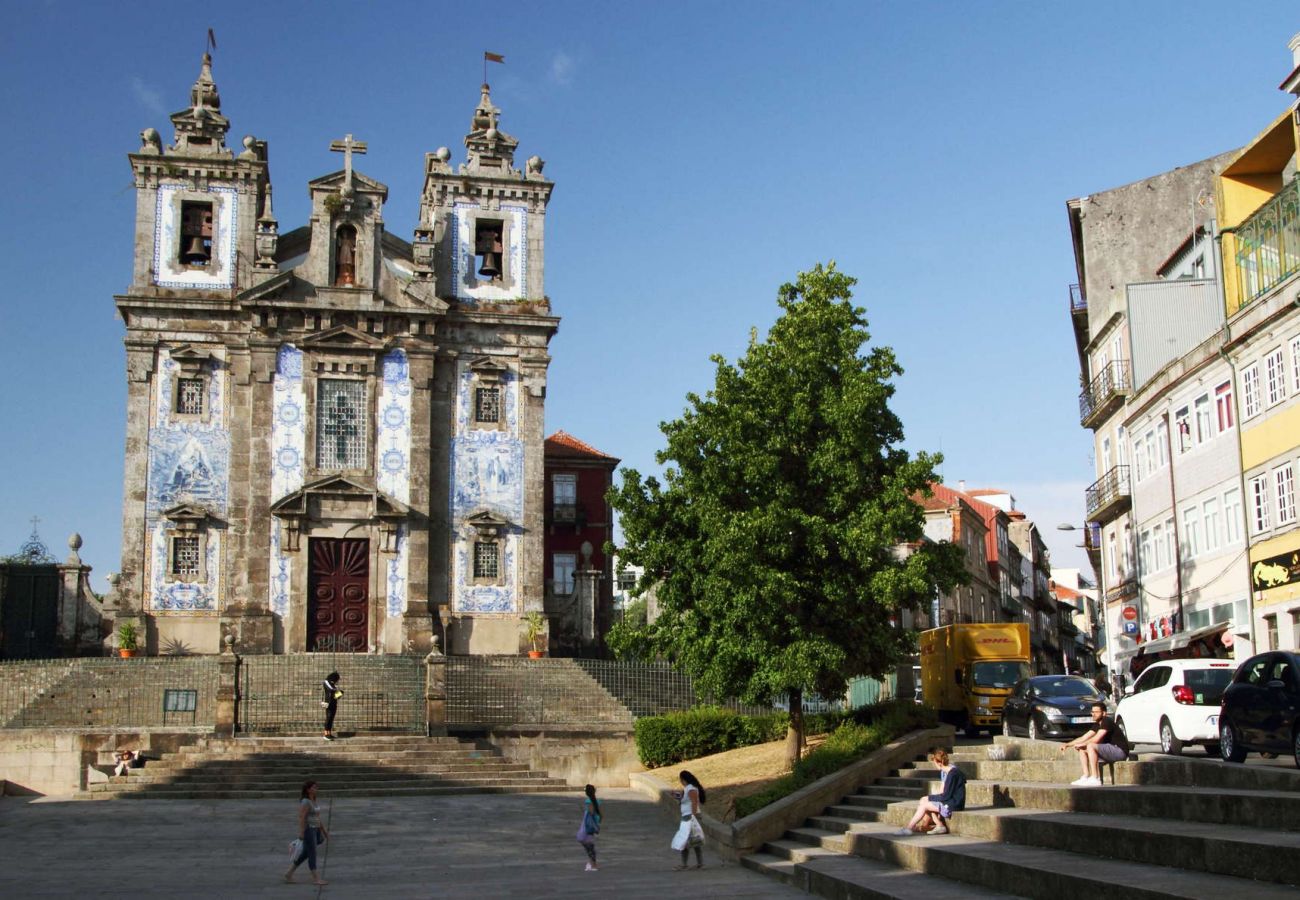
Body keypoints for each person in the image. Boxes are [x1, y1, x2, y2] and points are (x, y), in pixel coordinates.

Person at [898, 747, 966, 835]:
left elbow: (945, 796)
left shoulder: (952, 774)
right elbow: (945, 793)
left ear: (940, 763)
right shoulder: (950, 772)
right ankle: (939, 825)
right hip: (951, 802)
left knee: (924, 804)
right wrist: (930, 798)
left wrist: (930, 797)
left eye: (935, 763)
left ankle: (909, 828)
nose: (935, 765)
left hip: (953, 805)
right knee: (924, 801)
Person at [1059, 701, 1129, 786]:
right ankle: (1086, 776)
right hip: (1109, 750)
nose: (1093, 714)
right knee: (1083, 748)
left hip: (1119, 751)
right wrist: (1067, 744)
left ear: (1104, 713)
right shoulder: (1097, 724)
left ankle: (1096, 778)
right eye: (1092, 712)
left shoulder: (1107, 721)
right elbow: (1084, 737)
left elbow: (1096, 739)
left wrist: (1084, 744)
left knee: (1090, 746)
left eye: (1096, 712)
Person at [284, 780, 329, 885]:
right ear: (308, 789)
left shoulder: (313, 800)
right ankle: (316, 878)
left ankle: (288, 873)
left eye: (316, 787)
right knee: (312, 853)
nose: (316, 789)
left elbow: (317, 817)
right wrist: (302, 832)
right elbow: (302, 817)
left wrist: (323, 830)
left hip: (316, 829)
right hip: (309, 829)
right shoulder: (305, 801)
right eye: (313, 787)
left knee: (306, 853)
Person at [671, 770, 707, 870]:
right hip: (687, 816)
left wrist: (693, 817)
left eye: (681, 779)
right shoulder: (688, 789)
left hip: (689, 817)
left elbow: (694, 802)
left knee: (685, 840)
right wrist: (676, 795)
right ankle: (700, 863)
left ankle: (684, 864)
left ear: (684, 779)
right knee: (694, 840)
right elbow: (685, 799)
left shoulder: (691, 789)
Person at [575, 783, 601, 871]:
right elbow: (600, 815)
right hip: (591, 826)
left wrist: (584, 805)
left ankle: (593, 865)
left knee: (588, 844)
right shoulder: (596, 801)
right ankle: (592, 863)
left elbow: (591, 812)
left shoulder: (589, 802)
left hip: (588, 826)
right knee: (589, 845)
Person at [321, 672, 342, 741]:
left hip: (334, 703)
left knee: (331, 718)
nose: (337, 681)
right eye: (337, 679)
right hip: (328, 703)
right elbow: (330, 689)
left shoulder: (333, 684)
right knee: (329, 717)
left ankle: (329, 733)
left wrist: (340, 693)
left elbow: (335, 695)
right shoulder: (326, 682)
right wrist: (336, 690)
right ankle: (325, 734)